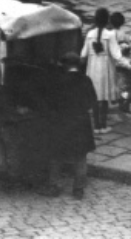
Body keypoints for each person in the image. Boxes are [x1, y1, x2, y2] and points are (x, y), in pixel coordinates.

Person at [39, 51, 97, 200]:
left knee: (56, 156)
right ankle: (78, 190)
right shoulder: (86, 80)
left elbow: (50, 103)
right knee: (80, 157)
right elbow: (92, 101)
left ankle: (54, 186)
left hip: (62, 123)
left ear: (64, 65)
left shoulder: (58, 81)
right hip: (81, 124)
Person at [81, 8, 129, 134]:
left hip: (92, 68)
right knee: (104, 97)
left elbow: (84, 53)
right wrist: (129, 65)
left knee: (95, 97)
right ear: (107, 20)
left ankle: (96, 126)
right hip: (105, 67)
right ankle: (103, 125)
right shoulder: (110, 35)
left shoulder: (90, 34)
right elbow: (117, 55)